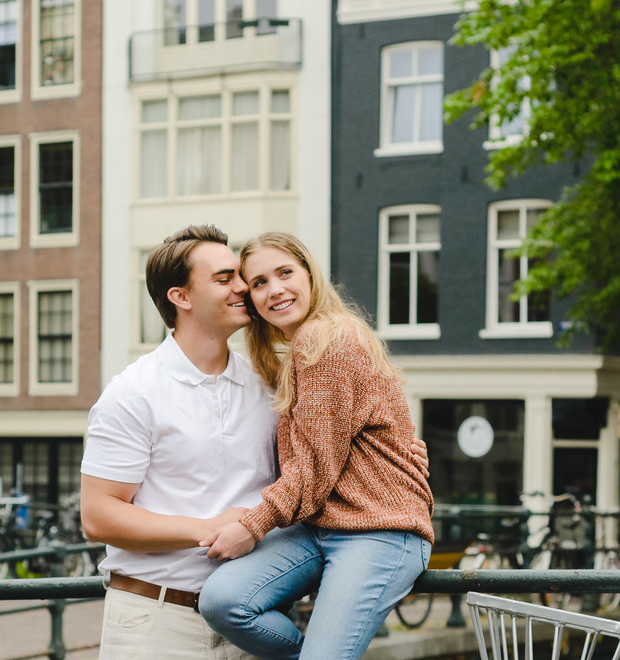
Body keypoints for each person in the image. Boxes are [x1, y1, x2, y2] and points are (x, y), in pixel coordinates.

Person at [80, 225, 428, 659]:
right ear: (181, 297)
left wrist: (394, 454)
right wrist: (206, 530)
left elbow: (319, 457)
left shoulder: (266, 384)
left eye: (247, 277)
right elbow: (97, 517)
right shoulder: (133, 392)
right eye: (228, 278)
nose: (245, 288)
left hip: (251, 619)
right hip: (156, 619)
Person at [197, 231, 435, 660]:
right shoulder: (293, 353)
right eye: (260, 283)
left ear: (309, 273)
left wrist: (251, 526)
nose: (276, 290)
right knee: (223, 601)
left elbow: (314, 466)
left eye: (285, 272)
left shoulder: (328, 338)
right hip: (318, 527)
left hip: (380, 530)